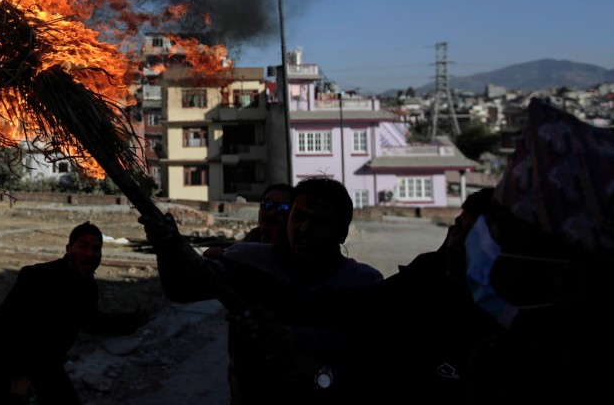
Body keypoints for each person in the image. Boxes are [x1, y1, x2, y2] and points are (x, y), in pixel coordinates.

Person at [229, 98, 614, 403]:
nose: (476, 248)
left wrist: (321, 377)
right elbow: (366, 327)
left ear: (566, 281)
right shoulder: (434, 284)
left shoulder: (545, 370)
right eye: (465, 230)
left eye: (499, 240)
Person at [142, 177, 382, 403]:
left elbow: (369, 360)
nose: (303, 229)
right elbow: (182, 289)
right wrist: (166, 246)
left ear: (342, 232)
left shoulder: (362, 284)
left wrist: (298, 340)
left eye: (319, 222)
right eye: (298, 217)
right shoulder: (249, 261)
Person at [0, 221, 155, 405]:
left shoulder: (88, 287)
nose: (89, 254)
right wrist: (19, 375)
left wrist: (133, 321)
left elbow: (91, 322)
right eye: (83, 246)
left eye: (95, 248)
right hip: (10, 371)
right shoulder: (36, 277)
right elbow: (3, 326)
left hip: (47, 369)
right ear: (68, 249)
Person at [203, 182, 293, 260]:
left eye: (282, 208)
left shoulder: (293, 253)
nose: (271, 212)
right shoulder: (253, 237)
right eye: (267, 204)